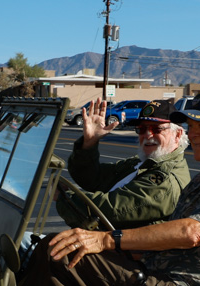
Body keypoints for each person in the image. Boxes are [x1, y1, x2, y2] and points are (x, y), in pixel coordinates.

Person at [19, 89, 200, 286]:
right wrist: (105, 247)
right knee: (63, 249)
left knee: (58, 252)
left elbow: (192, 233)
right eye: (190, 126)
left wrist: (105, 240)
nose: (193, 133)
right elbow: (94, 178)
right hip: (156, 275)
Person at [59, 98, 190, 229]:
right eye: (142, 129)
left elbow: (110, 210)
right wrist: (89, 142)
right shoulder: (142, 163)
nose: (148, 135)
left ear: (177, 134)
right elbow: (93, 177)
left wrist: (65, 198)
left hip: (121, 247)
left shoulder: (166, 178)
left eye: (157, 129)